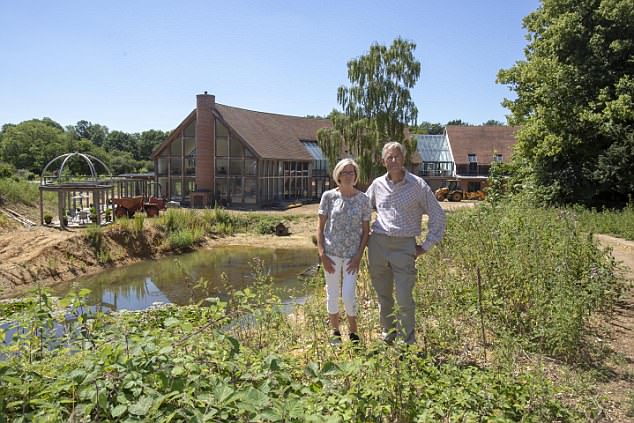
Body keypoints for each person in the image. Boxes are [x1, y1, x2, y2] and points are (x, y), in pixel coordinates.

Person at [366, 141, 446, 345]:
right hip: (378, 245)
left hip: (404, 246)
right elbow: (363, 211)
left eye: (397, 156)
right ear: (383, 161)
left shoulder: (418, 185)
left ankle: (406, 341)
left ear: (404, 159)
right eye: (389, 157)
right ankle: (388, 333)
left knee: (404, 298)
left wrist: (426, 245)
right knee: (383, 295)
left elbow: (438, 215)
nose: (393, 161)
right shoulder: (377, 185)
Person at [317, 158, 371, 345]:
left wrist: (358, 256)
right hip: (331, 254)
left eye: (351, 172)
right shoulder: (328, 197)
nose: (348, 175)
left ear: (356, 176)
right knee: (332, 294)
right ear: (338, 175)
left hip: (352, 256)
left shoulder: (363, 199)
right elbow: (320, 227)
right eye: (344, 172)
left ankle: (353, 333)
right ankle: (335, 332)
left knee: (348, 295)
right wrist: (322, 254)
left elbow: (366, 232)